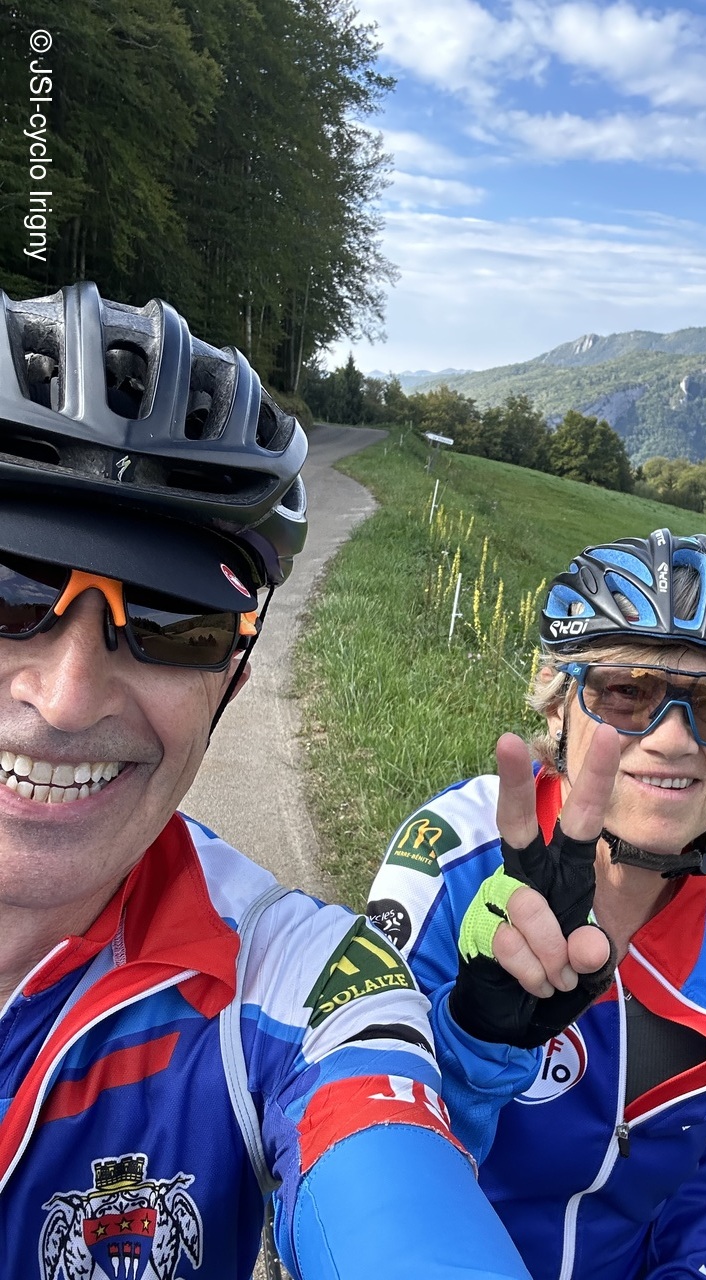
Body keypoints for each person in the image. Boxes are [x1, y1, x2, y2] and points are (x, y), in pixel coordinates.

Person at [0, 283, 534, 1280]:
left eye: (175, 623)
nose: (67, 698)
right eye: (10, 590)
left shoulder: (296, 981)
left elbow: (392, 1195)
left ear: (231, 684)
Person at [367, 530, 706, 1280]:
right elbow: (358, 1141)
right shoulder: (451, 860)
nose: (672, 739)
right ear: (558, 703)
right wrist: (473, 1044)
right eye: (625, 692)